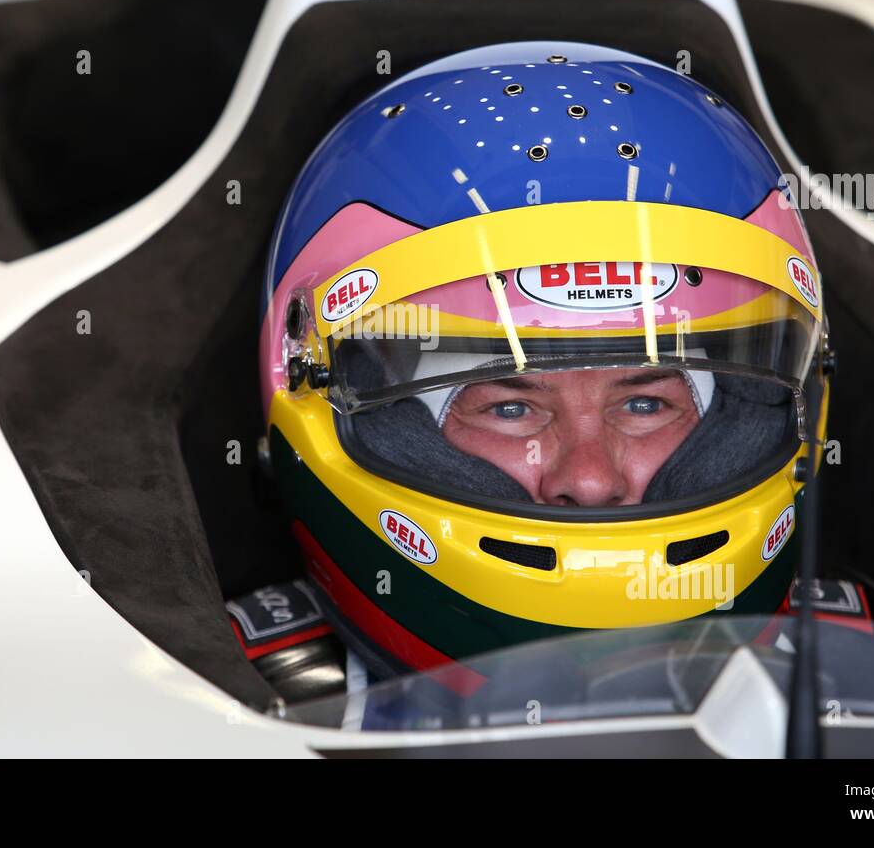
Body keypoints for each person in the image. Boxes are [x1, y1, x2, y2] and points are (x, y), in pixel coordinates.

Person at [249, 41, 834, 685]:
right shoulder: (216, 706)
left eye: (645, 403)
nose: (588, 483)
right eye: (510, 408)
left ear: (747, 413)